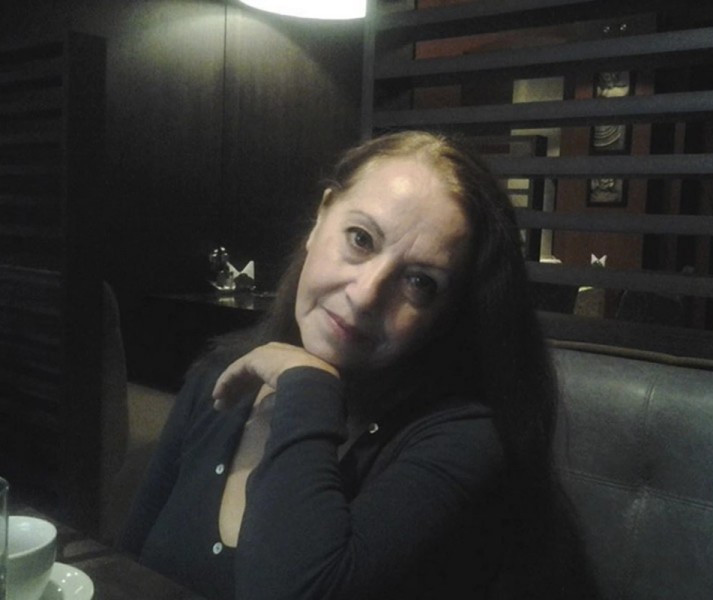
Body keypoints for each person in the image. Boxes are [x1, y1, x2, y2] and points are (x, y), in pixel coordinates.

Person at [119, 130, 595, 599]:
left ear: (447, 315)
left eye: (419, 282)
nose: (366, 295)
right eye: (361, 239)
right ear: (321, 218)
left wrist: (307, 384)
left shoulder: (464, 439)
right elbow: (127, 570)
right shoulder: (219, 376)